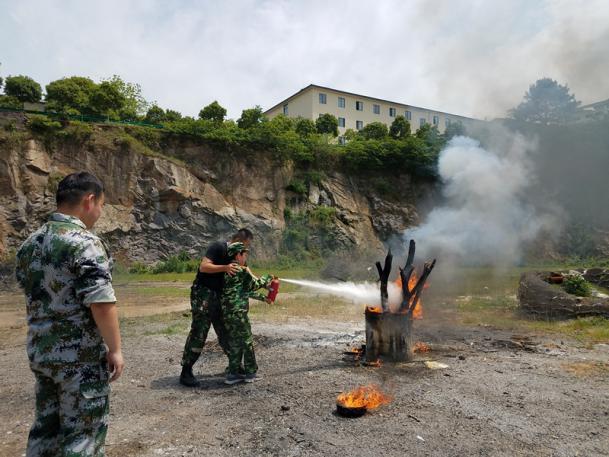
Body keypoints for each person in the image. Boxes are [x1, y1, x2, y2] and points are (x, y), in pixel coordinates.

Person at [15, 171, 124, 457]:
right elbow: (101, 303)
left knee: (45, 431)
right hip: (79, 359)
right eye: (101, 205)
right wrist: (115, 349)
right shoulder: (83, 241)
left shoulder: (29, 244)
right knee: (84, 435)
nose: (99, 213)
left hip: (41, 352)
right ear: (89, 201)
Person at [180, 228, 254, 387]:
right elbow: (204, 267)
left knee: (227, 331)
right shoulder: (219, 247)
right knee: (200, 331)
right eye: (244, 245)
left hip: (221, 297)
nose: (245, 250)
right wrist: (225, 268)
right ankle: (186, 371)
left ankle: (235, 366)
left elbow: (245, 270)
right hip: (204, 295)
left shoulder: (237, 255)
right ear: (237, 240)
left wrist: (260, 282)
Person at [222, 242, 273, 385]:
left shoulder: (225, 271)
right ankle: (250, 373)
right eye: (244, 255)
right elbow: (254, 285)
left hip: (227, 313)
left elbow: (244, 291)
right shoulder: (241, 271)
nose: (245, 258)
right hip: (238, 313)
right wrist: (268, 277)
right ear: (238, 255)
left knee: (234, 342)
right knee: (246, 341)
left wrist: (264, 298)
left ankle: (233, 374)